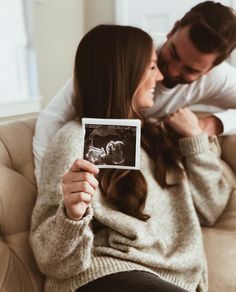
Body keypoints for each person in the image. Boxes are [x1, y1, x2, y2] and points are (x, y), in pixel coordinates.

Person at [30, 24, 232, 292]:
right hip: (106, 272)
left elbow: (210, 208)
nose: (162, 76)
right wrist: (71, 215)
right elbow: (51, 261)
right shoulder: (74, 139)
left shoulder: (158, 135)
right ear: (126, 73)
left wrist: (195, 138)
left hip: (171, 278)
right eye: (152, 67)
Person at [32, 1, 236, 185]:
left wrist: (209, 124)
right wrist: (48, 189)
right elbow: (52, 118)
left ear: (210, 70)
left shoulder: (218, 78)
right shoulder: (131, 54)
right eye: (173, 53)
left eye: (190, 70)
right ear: (173, 30)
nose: (170, 72)